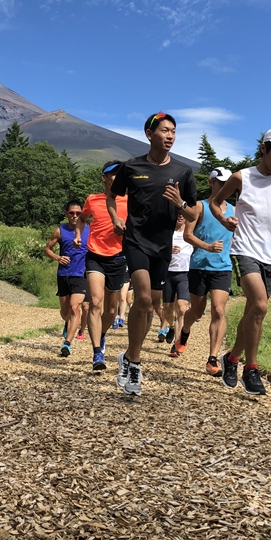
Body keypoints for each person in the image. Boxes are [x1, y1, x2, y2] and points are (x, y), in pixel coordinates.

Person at [209, 127, 271, 395]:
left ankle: (231, 358)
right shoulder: (243, 177)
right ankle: (251, 368)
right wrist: (224, 219)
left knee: (253, 310)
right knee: (261, 306)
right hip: (244, 249)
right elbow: (216, 203)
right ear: (264, 149)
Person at [108, 112, 198, 396]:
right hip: (135, 241)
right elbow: (113, 195)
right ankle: (135, 362)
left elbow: (194, 211)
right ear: (150, 135)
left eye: (173, 131)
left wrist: (180, 202)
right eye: (164, 131)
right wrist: (114, 218)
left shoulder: (183, 172)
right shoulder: (132, 167)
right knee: (144, 298)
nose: (170, 135)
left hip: (162, 247)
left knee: (152, 305)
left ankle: (127, 354)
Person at [175, 166, 235, 377]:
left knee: (219, 310)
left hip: (223, 267)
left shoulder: (234, 210)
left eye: (227, 184)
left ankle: (212, 359)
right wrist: (208, 247)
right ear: (211, 183)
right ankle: (184, 332)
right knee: (197, 312)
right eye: (220, 183)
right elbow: (187, 235)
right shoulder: (199, 206)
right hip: (199, 265)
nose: (224, 187)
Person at [74, 161, 128, 371]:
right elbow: (82, 219)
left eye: (119, 173)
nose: (116, 176)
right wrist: (79, 234)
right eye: (111, 173)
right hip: (95, 255)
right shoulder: (93, 199)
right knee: (96, 303)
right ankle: (97, 352)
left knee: (111, 310)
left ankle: (102, 334)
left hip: (118, 256)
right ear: (103, 178)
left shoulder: (128, 200)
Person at [44, 200, 90, 358]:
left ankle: (67, 343)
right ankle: (68, 322)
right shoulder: (60, 230)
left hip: (81, 275)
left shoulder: (88, 230)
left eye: (78, 213)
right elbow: (47, 249)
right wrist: (58, 258)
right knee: (65, 312)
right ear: (66, 214)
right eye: (72, 213)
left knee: (74, 307)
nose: (75, 216)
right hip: (64, 274)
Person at [163, 213, 193, 356]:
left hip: (184, 274)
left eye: (183, 214)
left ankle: (177, 343)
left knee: (181, 309)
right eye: (177, 214)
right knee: (167, 309)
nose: (180, 216)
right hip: (168, 273)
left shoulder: (190, 232)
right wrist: (167, 250)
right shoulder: (167, 231)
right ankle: (171, 326)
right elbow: (156, 248)